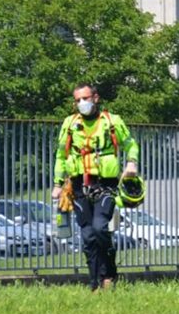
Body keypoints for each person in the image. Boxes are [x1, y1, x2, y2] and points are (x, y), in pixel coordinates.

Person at [51, 84, 139, 292]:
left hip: (105, 185)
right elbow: (61, 156)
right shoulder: (70, 124)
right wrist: (57, 183)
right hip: (78, 186)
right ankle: (94, 283)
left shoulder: (112, 121)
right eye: (78, 100)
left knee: (100, 227)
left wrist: (132, 162)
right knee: (88, 236)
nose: (82, 103)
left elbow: (130, 144)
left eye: (86, 98)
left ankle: (109, 273)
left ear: (96, 98)